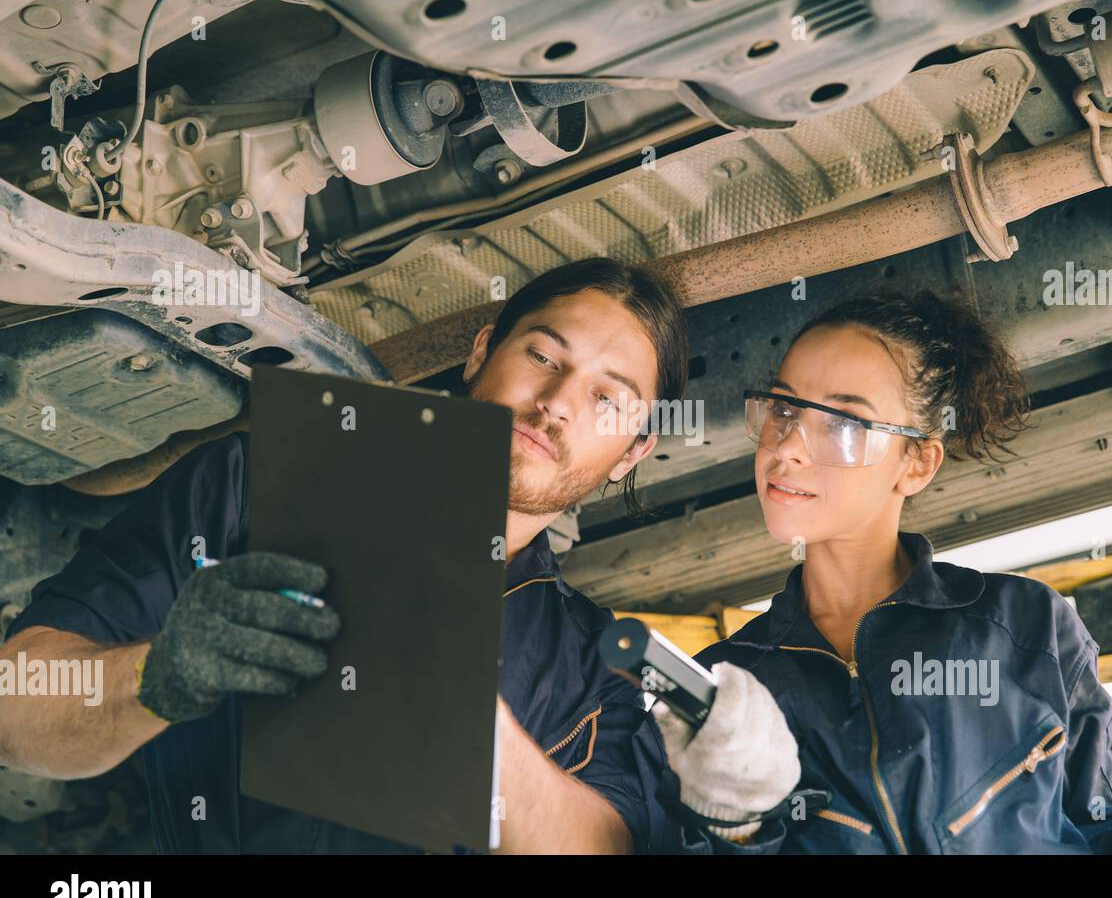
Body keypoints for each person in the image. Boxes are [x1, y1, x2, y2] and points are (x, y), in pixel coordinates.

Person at [0, 257, 688, 854]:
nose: (559, 403)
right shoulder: (257, 483)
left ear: (632, 452)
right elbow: (16, 705)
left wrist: (479, 732)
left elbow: (608, 844)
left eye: (607, 399)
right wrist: (158, 674)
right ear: (482, 352)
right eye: (543, 356)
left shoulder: (604, 668)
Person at [651, 293, 1112, 853]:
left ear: (917, 463)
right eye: (784, 408)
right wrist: (735, 832)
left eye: (842, 423)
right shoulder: (720, 687)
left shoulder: (1025, 627)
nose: (787, 446)